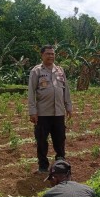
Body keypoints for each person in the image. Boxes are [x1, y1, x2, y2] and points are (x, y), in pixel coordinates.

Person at [28, 45, 72, 173]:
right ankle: (43, 165)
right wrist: (32, 111)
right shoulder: (36, 71)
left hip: (59, 112)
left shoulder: (60, 70)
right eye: (48, 54)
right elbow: (31, 93)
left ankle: (60, 162)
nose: (51, 56)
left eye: (53, 54)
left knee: (60, 139)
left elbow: (66, 90)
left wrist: (68, 106)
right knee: (41, 140)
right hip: (42, 113)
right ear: (42, 55)